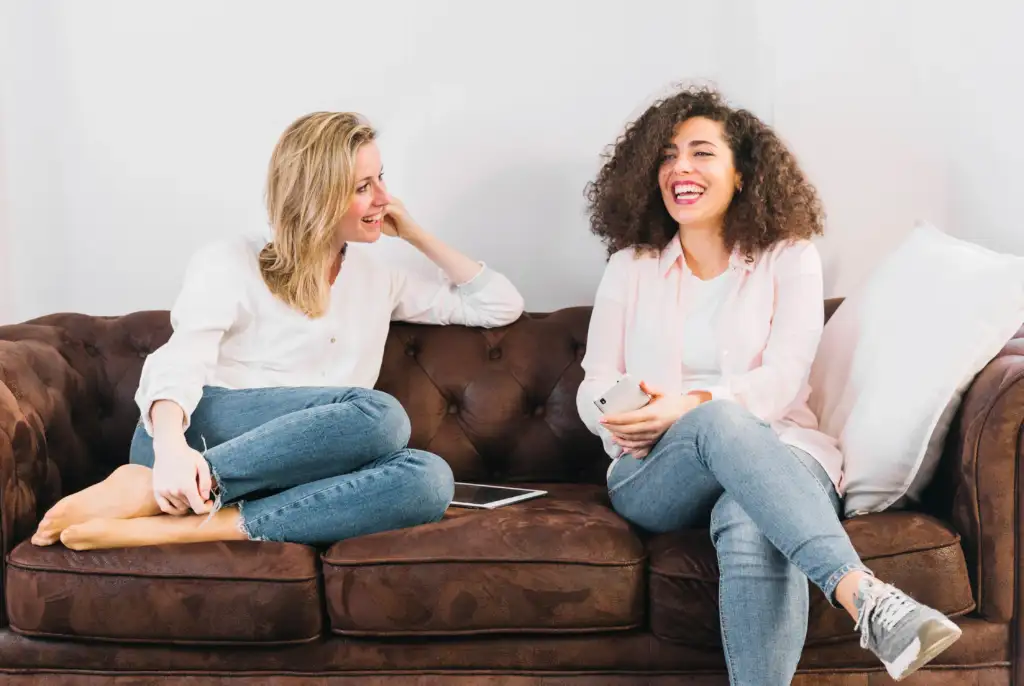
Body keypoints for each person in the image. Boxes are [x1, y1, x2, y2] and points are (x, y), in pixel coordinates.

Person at [576, 86, 959, 684]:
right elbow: (593, 382)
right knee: (717, 420)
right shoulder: (632, 265)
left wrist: (694, 404)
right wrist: (615, 414)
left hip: (783, 454)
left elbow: (782, 382)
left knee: (748, 513)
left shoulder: (790, 257)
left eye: (702, 153)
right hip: (655, 468)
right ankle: (865, 596)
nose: (680, 168)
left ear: (743, 175)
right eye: (668, 154)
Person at [32, 111, 524, 551]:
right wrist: (170, 450)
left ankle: (184, 522)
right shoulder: (230, 259)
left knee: (430, 479)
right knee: (382, 417)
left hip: (299, 467)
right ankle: (166, 486)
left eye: (381, 179)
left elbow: (499, 304)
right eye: (362, 187)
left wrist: (415, 232)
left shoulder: (380, 277)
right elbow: (182, 357)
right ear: (317, 198)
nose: (383, 198)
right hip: (194, 440)